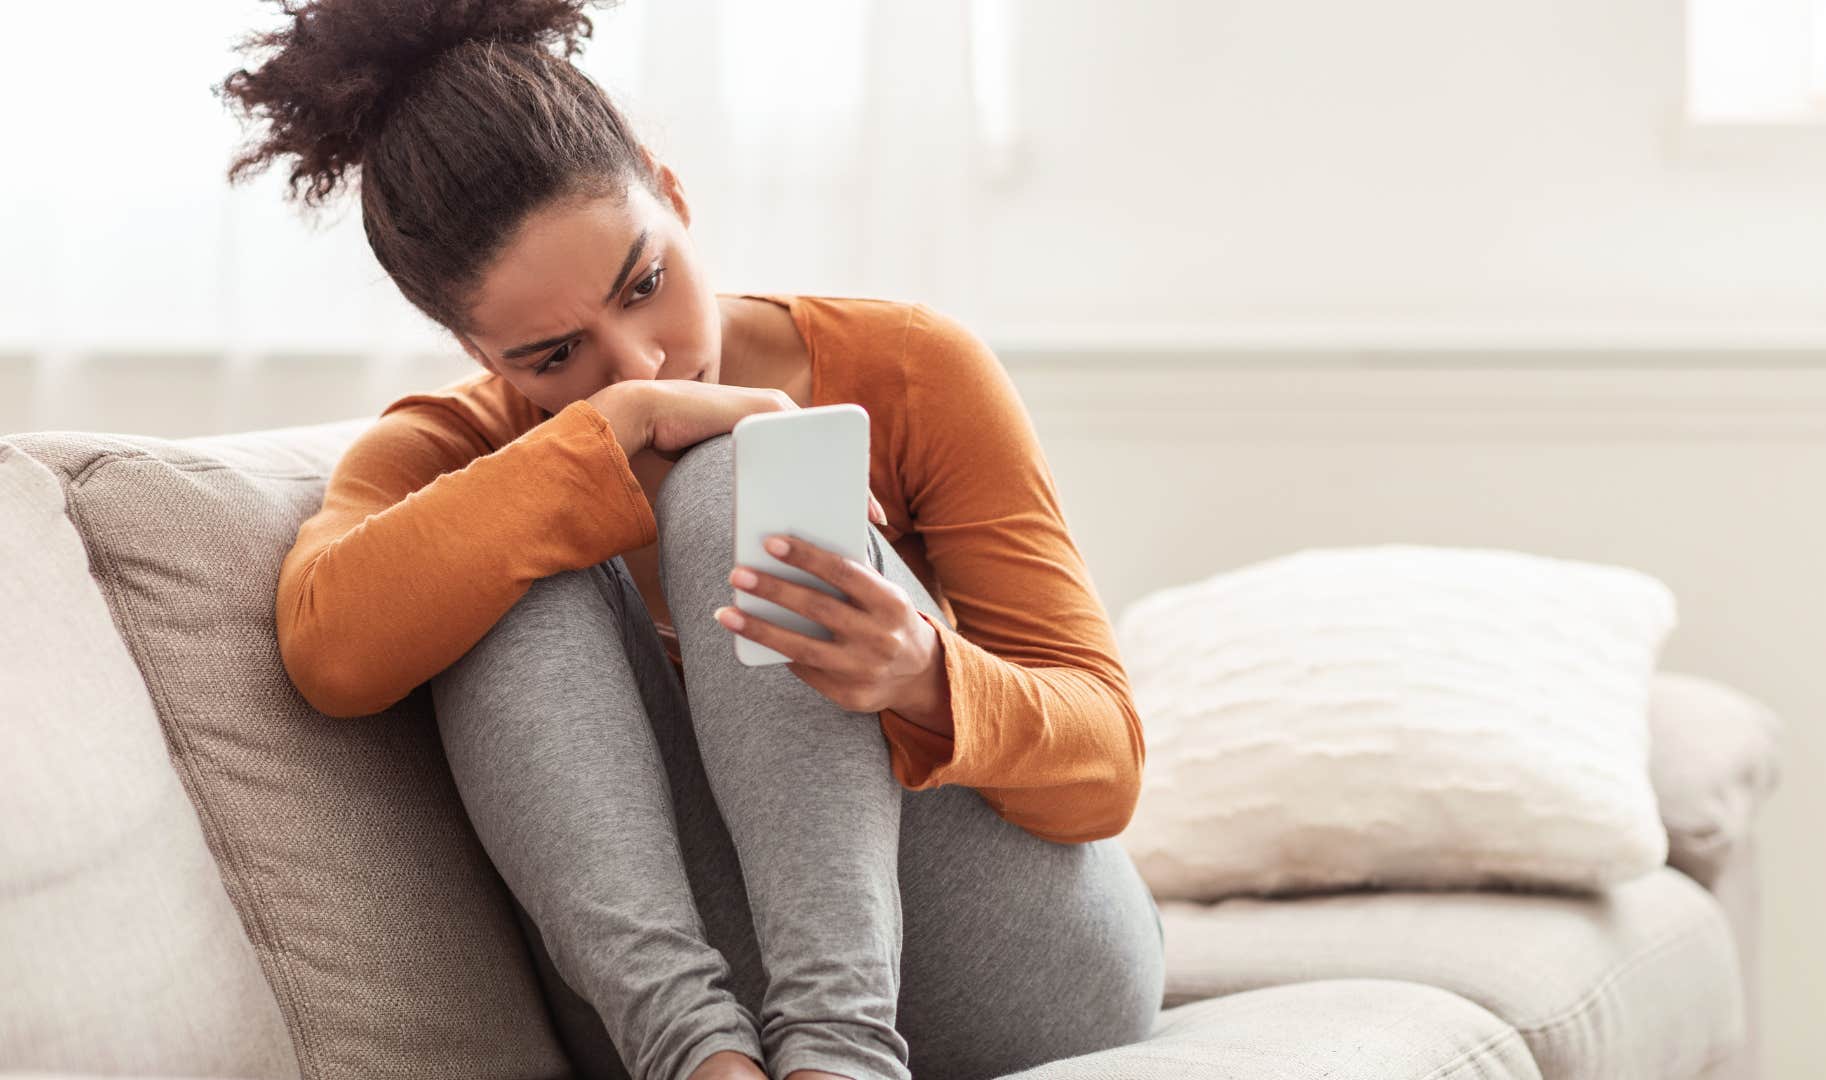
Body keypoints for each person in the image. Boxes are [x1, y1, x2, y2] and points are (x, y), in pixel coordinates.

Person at [220, 3, 1164, 1079]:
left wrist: (922, 675)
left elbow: (1108, 772)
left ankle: (839, 1057)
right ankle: (705, 1067)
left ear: (672, 195)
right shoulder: (454, 446)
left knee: (731, 481)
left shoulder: (909, 367)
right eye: (554, 355)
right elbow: (328, 653)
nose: (641, 367)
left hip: (1008, 952)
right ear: (473, 348)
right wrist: (602, 439)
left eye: (646, 285)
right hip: (688, 999)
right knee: (499, 525)